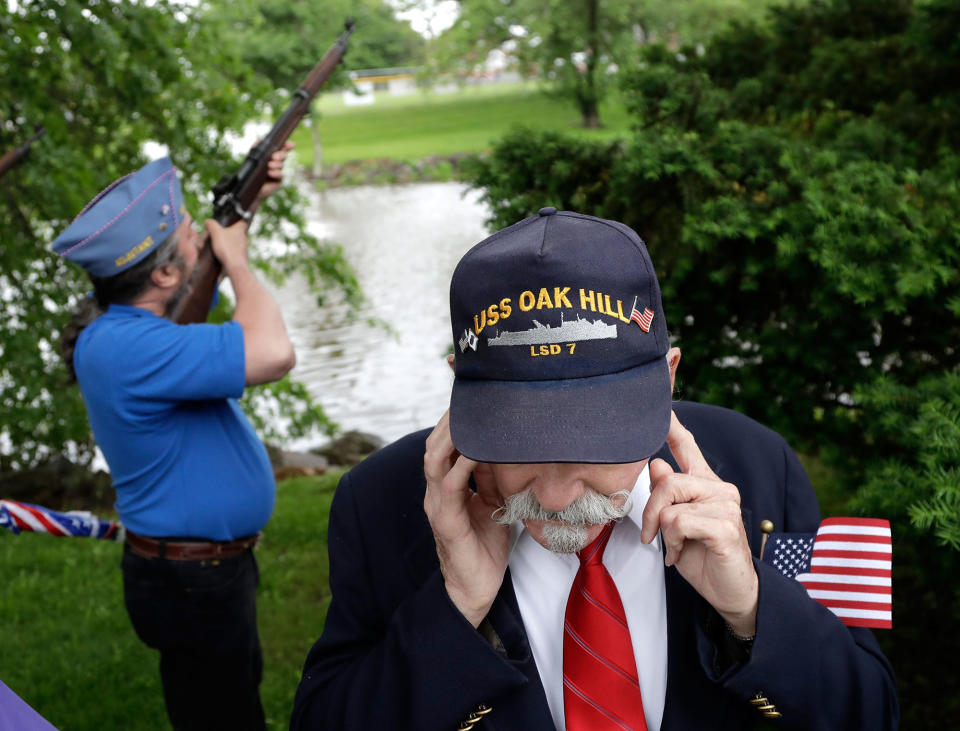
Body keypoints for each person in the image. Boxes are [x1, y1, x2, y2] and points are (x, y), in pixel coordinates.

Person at [291, 207, 898, 730]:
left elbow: (869, 715)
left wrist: (752, 613)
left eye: (597, 442)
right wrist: (453, 613)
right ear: (460, 390)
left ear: (667, 378)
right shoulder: (381, 502)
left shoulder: (756, 465)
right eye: (515, 442)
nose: (555, 497)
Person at [53, 147, 296, 731]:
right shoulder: (130, 347)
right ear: (163, 275)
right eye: (192, 234)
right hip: (193, 582)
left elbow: (200, 287)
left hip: (201, 574)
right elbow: (273, 352)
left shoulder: (133, 329)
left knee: (228, 705)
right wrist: (238, 262)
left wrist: (249, 201)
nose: (203, 239)